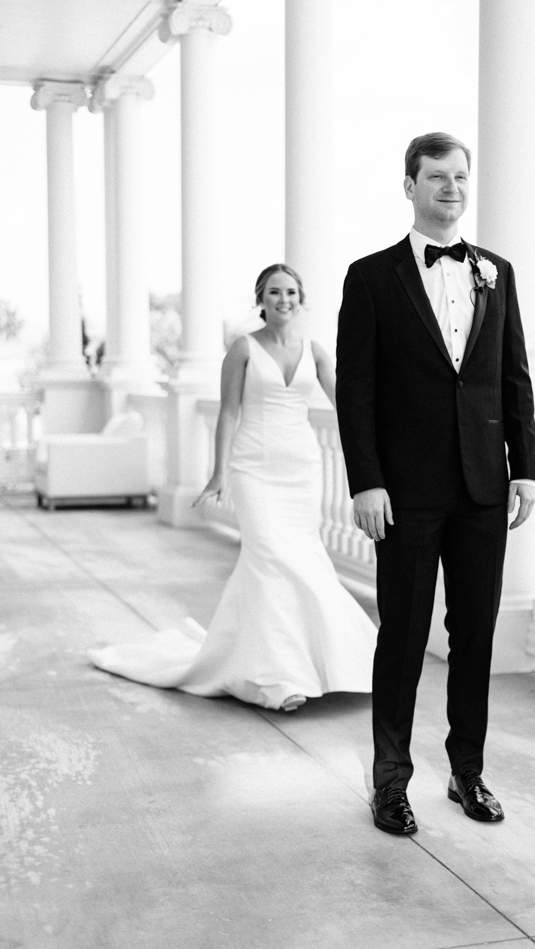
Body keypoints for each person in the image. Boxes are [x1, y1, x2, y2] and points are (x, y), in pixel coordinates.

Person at [335, 133, 535, 835]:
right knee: (402, 636)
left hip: (483, 486)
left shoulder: (496, 272)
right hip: (405, 491)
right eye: (435, 177)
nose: (450, 188)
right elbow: (355, 393)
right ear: (408, 185)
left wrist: (527, 469)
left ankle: (467, 773)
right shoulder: (370, 277)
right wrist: (366, 481)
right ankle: (389, 781)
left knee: (474, 635)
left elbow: (513, 377)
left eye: (458, 177)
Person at [90, 264, 376, 711]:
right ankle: (275, 680)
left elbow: (346, 406)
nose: (284, 300)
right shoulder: (242, 349)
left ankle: (323, 662)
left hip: (301, 467)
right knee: (267, 557)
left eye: (292, 293)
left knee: (303, 560)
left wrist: (377, 452)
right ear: (260, 299)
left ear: (302, 300)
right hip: (253, 468)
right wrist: (219, 472)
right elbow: (228, 413)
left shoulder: (315, 351)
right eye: (275, 292)